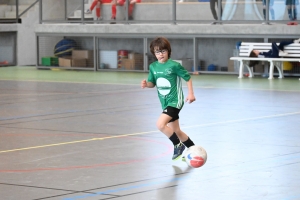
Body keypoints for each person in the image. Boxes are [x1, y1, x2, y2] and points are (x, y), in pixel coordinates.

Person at [140, 37, 196, 161]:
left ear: (168, 51)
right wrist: (146, 84)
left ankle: (178, 145)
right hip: (165, 102)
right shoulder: (153, 67)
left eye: (163, 51)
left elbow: (188, 78)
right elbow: (152, 83)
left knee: (160, 125)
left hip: (175, 101)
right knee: (176, 131)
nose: (160, 54)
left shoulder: (174, 65)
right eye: (157, 52)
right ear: (154, 53)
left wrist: (190, 94)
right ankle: (194, 150)